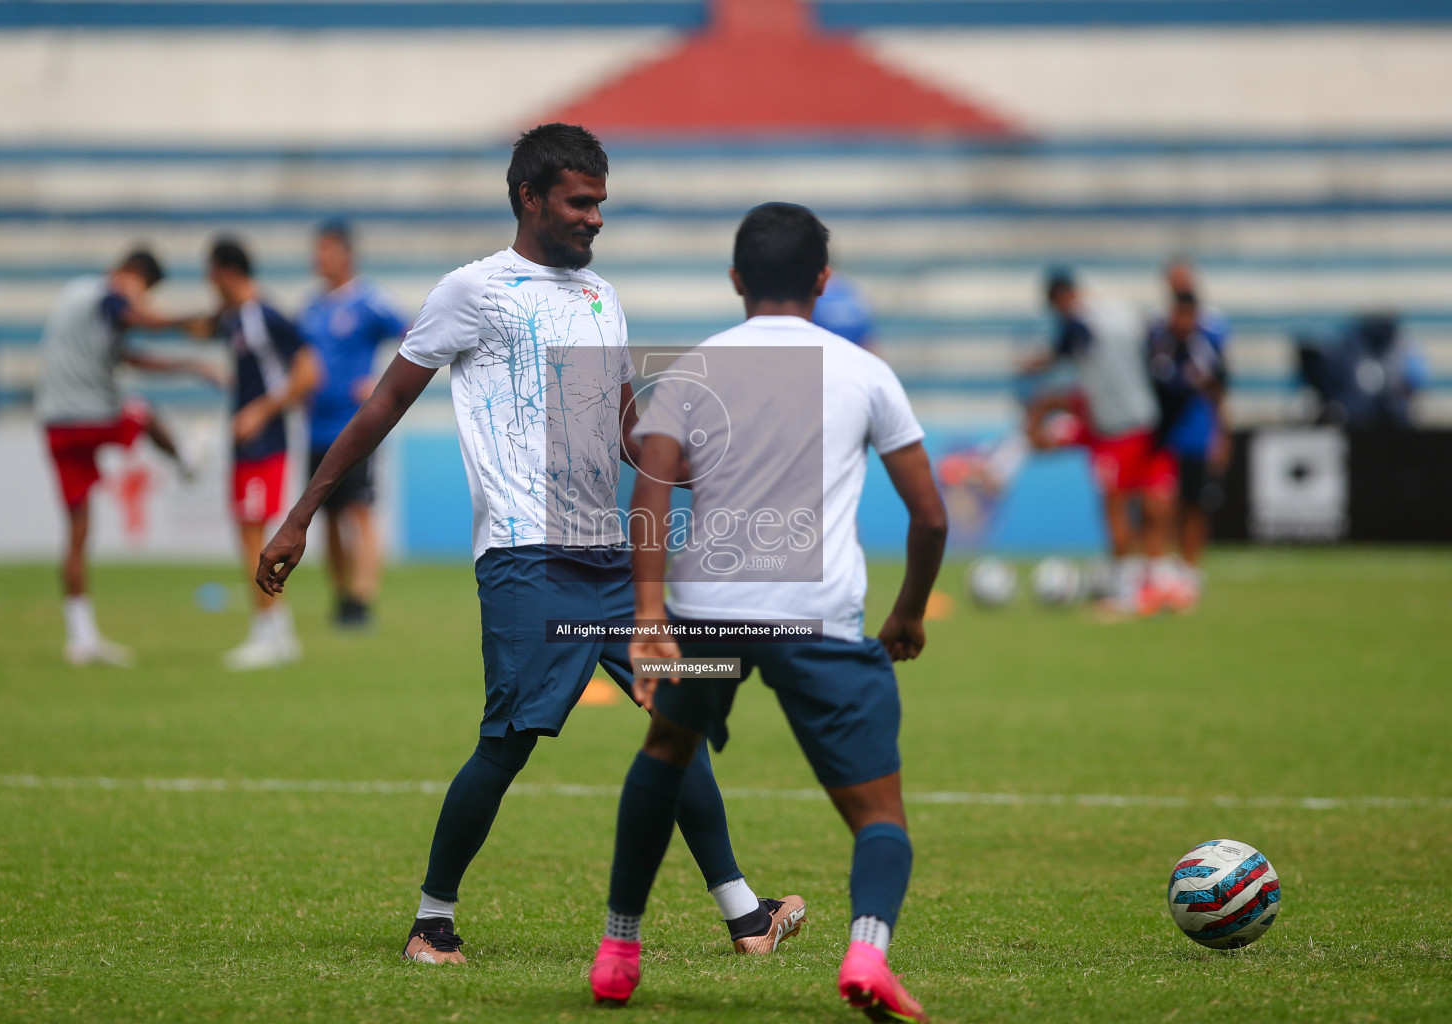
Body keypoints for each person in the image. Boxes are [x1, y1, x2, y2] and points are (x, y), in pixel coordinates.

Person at [254, 124, 797, 966]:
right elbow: (381, 406)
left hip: (608, 557)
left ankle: (746, 916)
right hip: (525, 554)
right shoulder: (474, 290)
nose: (594, 219)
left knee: (676, 712)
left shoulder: (600, 297)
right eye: (580, 202)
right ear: (530, 198)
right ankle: (432, 921)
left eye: (601, 205)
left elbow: (622, 428)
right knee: (507, 741)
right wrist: (301, 514)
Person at [588, 203, 948, 1022]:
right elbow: (930, 515)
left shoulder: (691, 373)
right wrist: (908, 614)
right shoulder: (864, 371)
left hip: (708, 614)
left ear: (736, 280)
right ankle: (866, 953)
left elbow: (649, 486)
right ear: (824, 280)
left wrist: (649, 617)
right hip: (818, 620)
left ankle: (618, 951)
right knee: (877, 813)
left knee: (665, 751)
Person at [36, 248, 220, 666]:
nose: (142, 300)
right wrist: (190, 319)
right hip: (88, 416)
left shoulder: (80, 302)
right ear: (132, 275)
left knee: (78, 529)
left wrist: (192, 364)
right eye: (145, 291)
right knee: (139, 409)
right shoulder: (105, 293)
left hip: (55, 425)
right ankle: (188, 458)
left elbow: (132, 356)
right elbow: (136, 317)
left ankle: (80, 638)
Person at [1023, 269, 1178, 615]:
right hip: (1147, 419)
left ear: (1061, 299)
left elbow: (1068, 344)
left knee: (1116, 508)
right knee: (1154, 505)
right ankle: (1157, 582)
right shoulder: (1120, 311)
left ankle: (1126, 588)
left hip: (1113, 428)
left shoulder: (1079, 323)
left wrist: (1039, 363)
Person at [206, 237, 319, 670]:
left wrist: (261, 410)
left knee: (255, 536)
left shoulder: (263, 315)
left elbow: (309, 371)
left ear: (224, 271)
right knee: (246, 533)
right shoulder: (234, 319)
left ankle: (269, 636)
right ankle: (276, 632)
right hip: (247, 445)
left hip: (265, 443)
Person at [299, 220, 408, 628]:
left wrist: (379, 384)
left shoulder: (369, 301)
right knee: (324, 515)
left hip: (355, 426)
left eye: (325, 249)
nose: (318, 258)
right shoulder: (311, 307)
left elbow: (413, 337)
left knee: (359, 510)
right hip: (315, 427)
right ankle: (340, 596)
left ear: (345, 254)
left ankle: (362, 599)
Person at [1148, 291, 1228, 590]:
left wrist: (1220, 435)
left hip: (1196, 437)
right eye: (1178, 314)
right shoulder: (1159, 347)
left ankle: (1190, 567)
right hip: (1165, 439)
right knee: (1161, 505)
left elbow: (1218, 393)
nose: (1182, 320)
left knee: (1194, 504)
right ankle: (1162, 566)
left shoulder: (1205, 349)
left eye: (1188, 314)